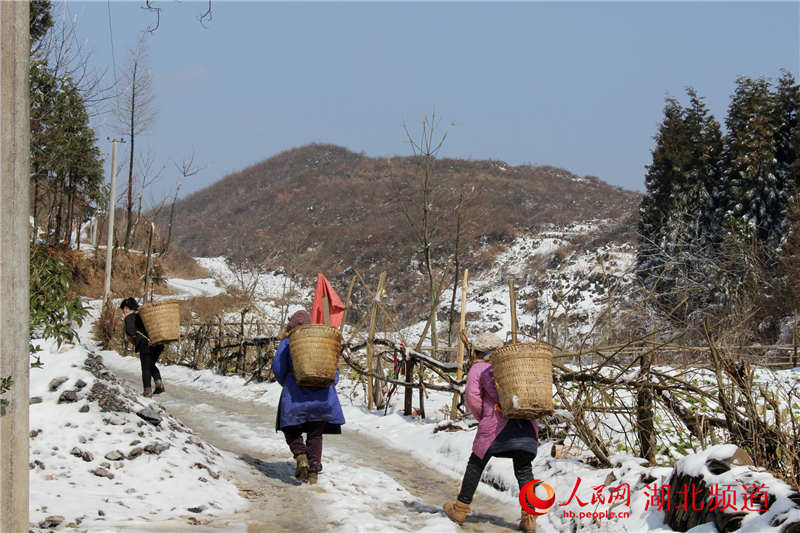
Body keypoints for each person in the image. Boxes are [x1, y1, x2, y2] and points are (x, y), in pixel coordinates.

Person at [443, 332, 540, 533]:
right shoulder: (514, 366)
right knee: (524, 470)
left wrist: (484, 417)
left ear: (479, 352)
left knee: (476, 464)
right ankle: (530, 519)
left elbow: (472, 397)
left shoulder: (479, 368)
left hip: (496, 426)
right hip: (525, 425)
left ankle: (460, 510)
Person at [272, 309, 345, 484]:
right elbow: (334, 374)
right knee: (315, 434)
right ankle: (313, 472)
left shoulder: (288, 341)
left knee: (290, 428)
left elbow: (278, 368)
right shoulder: (322, 342)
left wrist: (289, 383)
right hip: (322, 398)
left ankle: (301, 455)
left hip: (295, 396)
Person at [120, 297, 165, 398]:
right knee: (151, 364)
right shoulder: (143, 314)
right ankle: (159, 384)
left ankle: (147, 391)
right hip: (157, 342)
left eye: (123, 308)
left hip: (145, 345)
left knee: (145, 368)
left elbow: (131, 332)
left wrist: (126, 320)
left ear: (126, 308)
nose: (123, 310)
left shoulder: (130, 316)